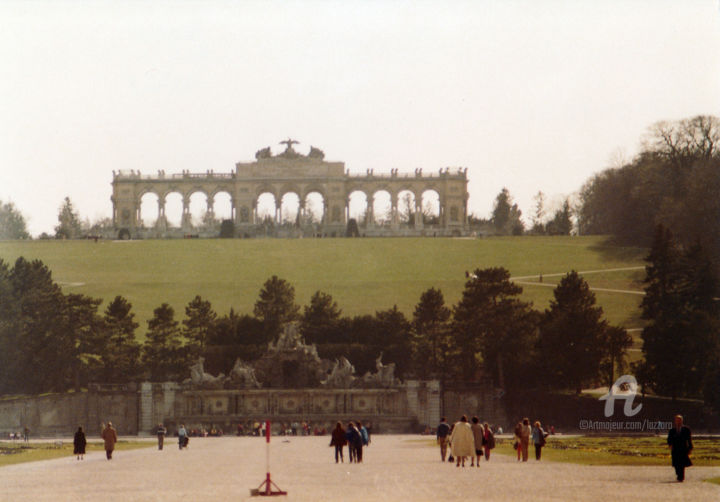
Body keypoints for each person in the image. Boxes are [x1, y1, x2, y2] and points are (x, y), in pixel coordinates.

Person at [667, 414, 693, 482]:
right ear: (675, 421)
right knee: (676, 464)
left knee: (682, 464)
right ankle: (678, 474)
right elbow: (669, 439)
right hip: (675, 449)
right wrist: (670, 445)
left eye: (679, 420)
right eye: (677, 420)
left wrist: (690, 448)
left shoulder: (686, 429)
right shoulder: (672, 430)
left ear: (682, 421)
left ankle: (681, 477)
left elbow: (689, 439)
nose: (678, 421)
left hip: (683, 448)